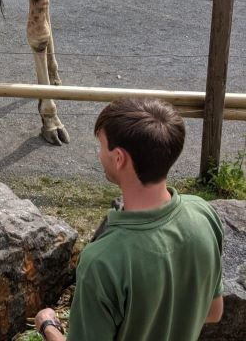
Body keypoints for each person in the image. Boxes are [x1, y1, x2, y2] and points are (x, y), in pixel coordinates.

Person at [35, 97, 224, 341]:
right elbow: (214, 312)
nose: (99, 153)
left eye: (101, 146)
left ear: (119, 158)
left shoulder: (102, 262)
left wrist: (47, 326)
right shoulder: (204, 215)